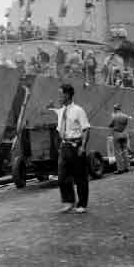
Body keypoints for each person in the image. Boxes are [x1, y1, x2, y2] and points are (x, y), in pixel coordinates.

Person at [47, 83, 90, 213]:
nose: (59, 97)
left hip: (76, 146)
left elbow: (86, 129)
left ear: (67, 95)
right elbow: (58, 121)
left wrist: (83, 147)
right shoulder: (61, 111)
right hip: (65, 146)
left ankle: (82, 204)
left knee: (80, 177)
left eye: (60, 94)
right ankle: (68, 202)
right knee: (62, 177)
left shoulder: (78, 110)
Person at [109, 104, 129, 174]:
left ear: (115, 109)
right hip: (124, 133)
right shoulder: (125, 116)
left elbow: (110, 125)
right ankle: (127, 167)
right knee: (125, 151)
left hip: (117, 134)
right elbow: (126, 124)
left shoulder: (114, 116)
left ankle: (120, 169)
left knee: (118, 152)